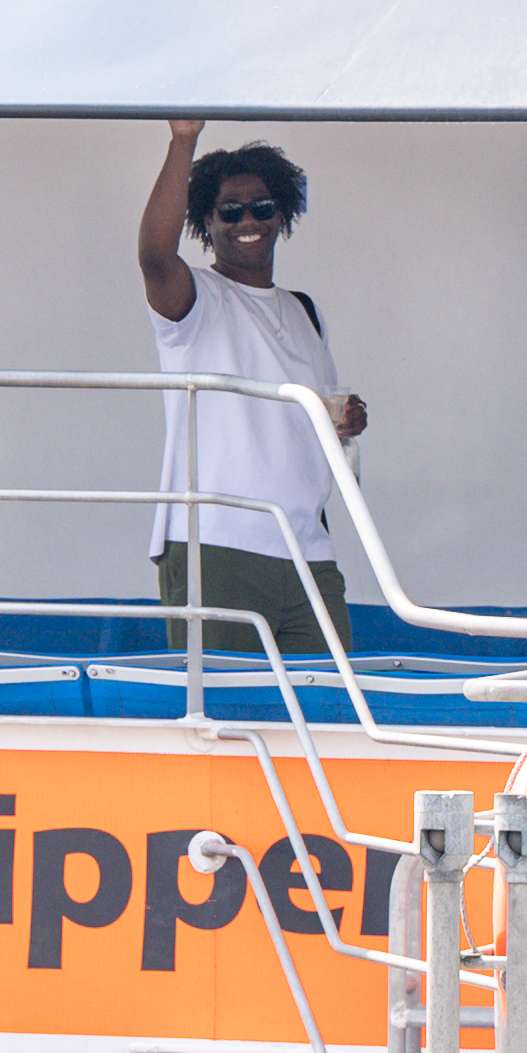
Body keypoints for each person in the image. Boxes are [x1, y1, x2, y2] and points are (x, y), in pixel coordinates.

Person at [139, 120, 369, 664]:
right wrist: (183, 142)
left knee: (331, 712)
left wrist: (345, 422)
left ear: (282, 215)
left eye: (263, 209)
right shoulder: (196, 300)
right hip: (217, 544)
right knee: (222, 717)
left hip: (307, 548)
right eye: (230, 211)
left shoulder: (303, 310)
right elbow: (153, 255)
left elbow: (314, 415)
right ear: (206, 222)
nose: (249, 221)